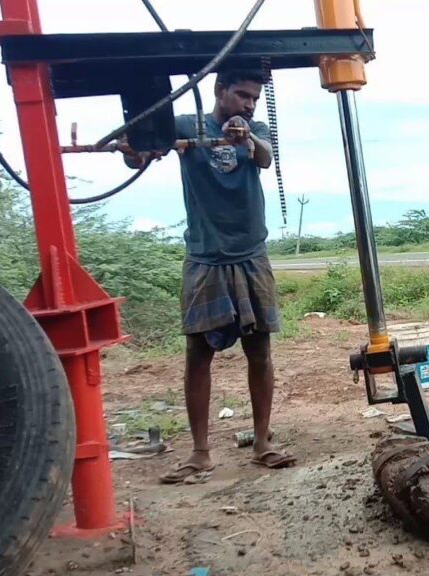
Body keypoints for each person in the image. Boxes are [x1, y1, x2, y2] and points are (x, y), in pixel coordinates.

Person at [124, 68, 295, 484]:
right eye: (241, 95)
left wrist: (248, 136)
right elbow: (141, 153)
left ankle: (261, 443)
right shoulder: (187, 126)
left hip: (251, 254)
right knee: (198, 357)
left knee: (260, 352)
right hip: (204, 257)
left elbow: (265, 158)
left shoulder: (255, 128)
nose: (249, 104)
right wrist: (135, 150)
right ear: (219, 91)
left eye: (254, 97)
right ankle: (200, 453)